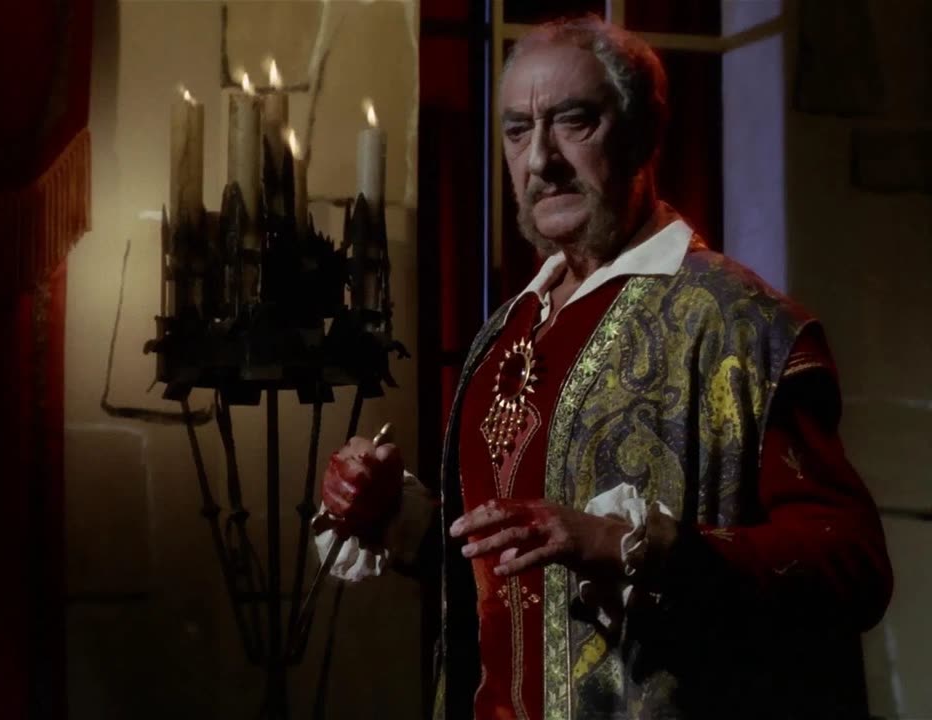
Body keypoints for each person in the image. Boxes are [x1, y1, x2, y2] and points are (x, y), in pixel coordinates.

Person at [317, 16, 893, 720]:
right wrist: (394, 514)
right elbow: (507, 583)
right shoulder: (507, 328)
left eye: (574, 121)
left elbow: (851, 564)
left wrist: (631, 546)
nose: (540, 160)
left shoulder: (741, 325)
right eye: (517, 130)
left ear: (643, 133)